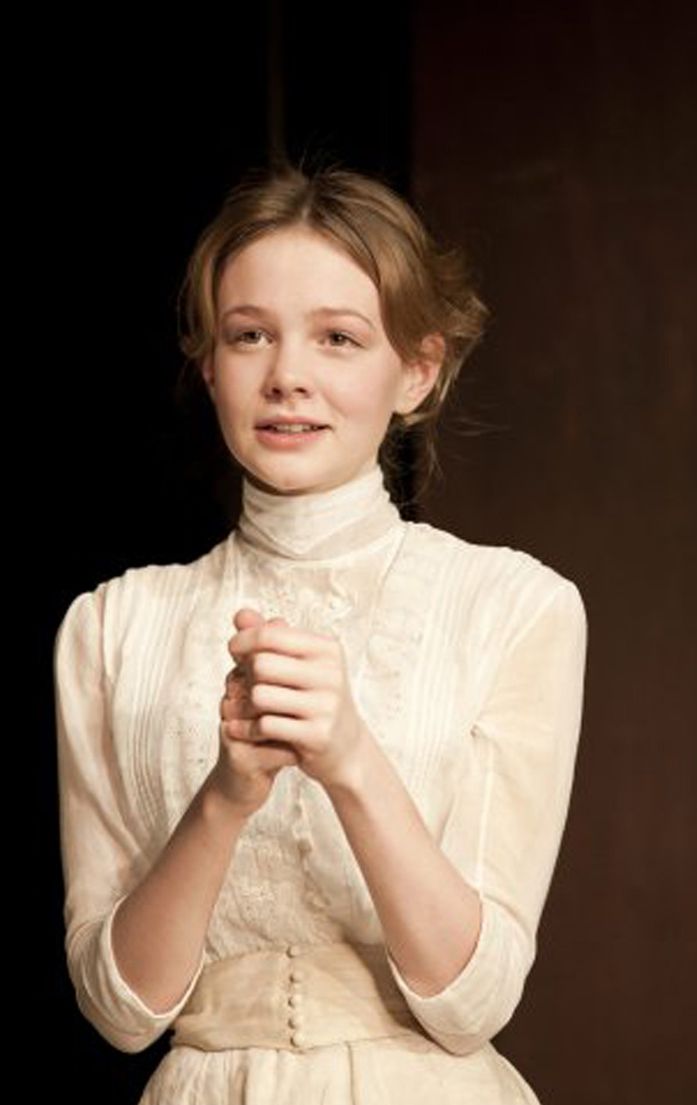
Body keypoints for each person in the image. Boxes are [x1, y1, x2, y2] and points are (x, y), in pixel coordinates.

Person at [53, 162, 587, 1104]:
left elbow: (477, 1000)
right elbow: (121, 1009)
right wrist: (225, 795)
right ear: (209, 363)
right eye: (249, 334)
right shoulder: (111, 626)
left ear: (417, 370)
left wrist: (348, 756)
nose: (287, 375)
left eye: (338, 338)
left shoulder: (510, 604)